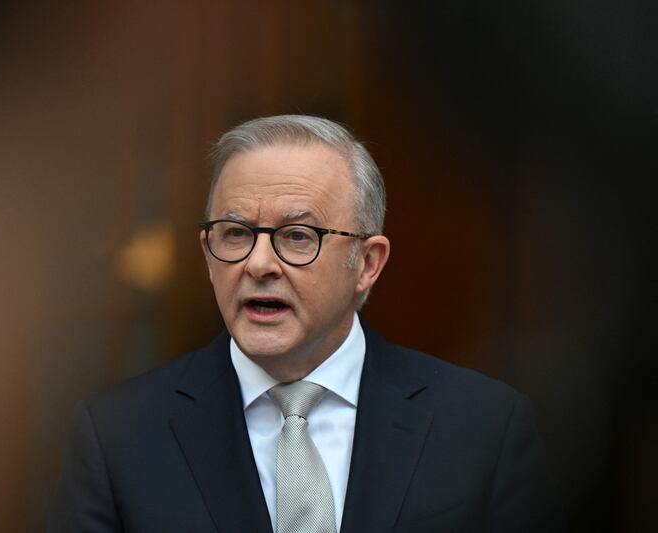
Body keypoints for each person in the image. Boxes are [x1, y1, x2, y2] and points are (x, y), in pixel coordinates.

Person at [48, 115, 564, 532]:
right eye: (235, 234)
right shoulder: (116, 437)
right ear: (207, 255)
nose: (259, 264)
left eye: (297, 236)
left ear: (367, 263)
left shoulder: (483, 428)